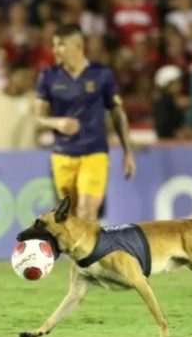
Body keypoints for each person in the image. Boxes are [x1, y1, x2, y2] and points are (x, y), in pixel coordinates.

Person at [35, 23, 136, 221]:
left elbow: (117, 112)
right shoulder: (48, 76)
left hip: (94, 153)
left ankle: (92, 252)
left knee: (86, 211)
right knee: (69, 218)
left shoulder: (101, 74)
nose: (55, 50)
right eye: (54, 45)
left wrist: (128, 152)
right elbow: (39, 118)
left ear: (78, 46)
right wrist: (58, 123)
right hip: (62, 155)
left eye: (60, 45)